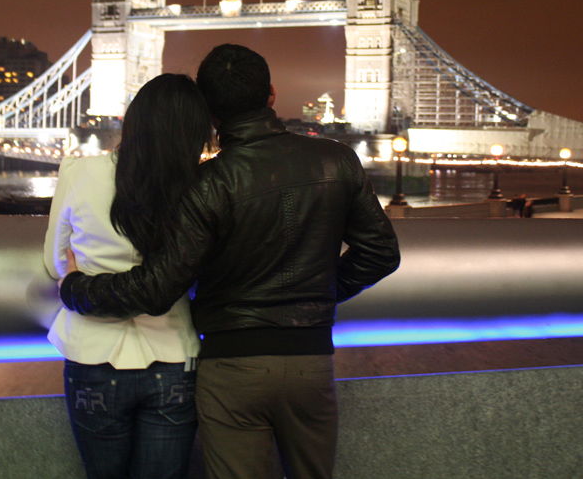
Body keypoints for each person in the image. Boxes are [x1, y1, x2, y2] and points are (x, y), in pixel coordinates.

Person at [61, 44, 401, 478]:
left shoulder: (207, 184)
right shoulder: (337, 160)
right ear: (272, 95)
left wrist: (75, 289)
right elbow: (381, 254)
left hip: (231, 366)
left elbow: (156, 288)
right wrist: (320, 292)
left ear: (210, 112)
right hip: (310, 360)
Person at [43, 73, 213, 479]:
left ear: (132, 121)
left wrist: (77, 275)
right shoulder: (201, 185)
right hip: (173, 356)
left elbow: (54, 264)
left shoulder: (79, 173)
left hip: (92, 355)